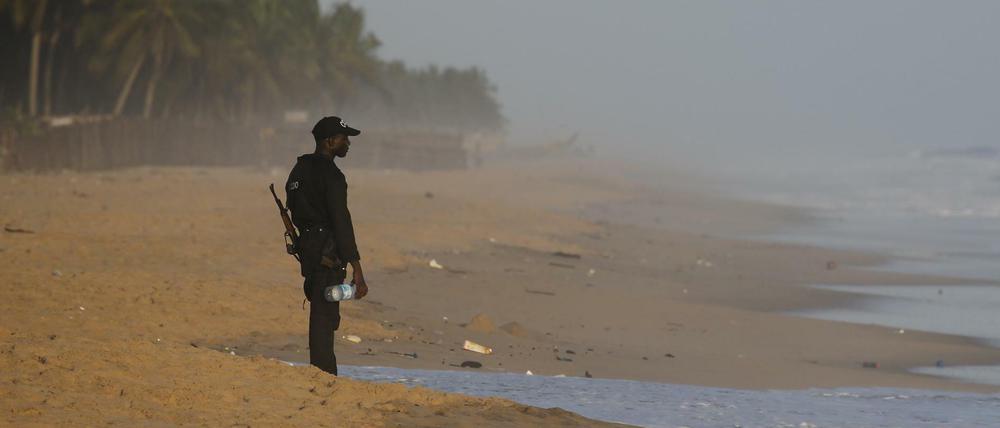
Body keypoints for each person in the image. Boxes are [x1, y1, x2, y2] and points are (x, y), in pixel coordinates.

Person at [284, 116, 369, 375]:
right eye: (344, 139)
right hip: (326, 251)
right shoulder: (332, 176)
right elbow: (341, 221)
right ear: (330, 141)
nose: (348, 144)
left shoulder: (298, 170)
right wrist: (357, 267)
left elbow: (295, 208)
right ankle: (323, 374)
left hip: (307, 248)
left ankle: (322, 369)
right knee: (325, 313)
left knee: (322, 306)